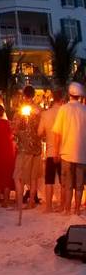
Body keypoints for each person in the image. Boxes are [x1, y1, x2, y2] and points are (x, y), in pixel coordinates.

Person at [52, 82, 86, 215]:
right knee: (79, 185)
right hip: (82, 154)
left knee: (67, 184)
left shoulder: (63, 109)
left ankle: (67, 209)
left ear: (69, 94)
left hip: (66, 152)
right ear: (79, 96)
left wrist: (55, 151)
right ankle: (77, 209)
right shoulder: (84, 110)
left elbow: (57, 133)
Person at [12, 85, 41, 209]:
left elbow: (14, 129)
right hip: (37, 148)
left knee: (17, 176)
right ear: (34, 95)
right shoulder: (39, 110)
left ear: (24, 95)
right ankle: (31, 203)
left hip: (25, 148)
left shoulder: (20, 111)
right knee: (33, 178)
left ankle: (19, 204)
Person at [38, 89, 64, 212]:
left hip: (50, 151)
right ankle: (63, 205)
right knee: (64, 181)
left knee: (49, 180)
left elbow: (39, 132)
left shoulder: (45, 114)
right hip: (63, 151)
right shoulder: (64, 113)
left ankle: (48, 206)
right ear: (62, 99)